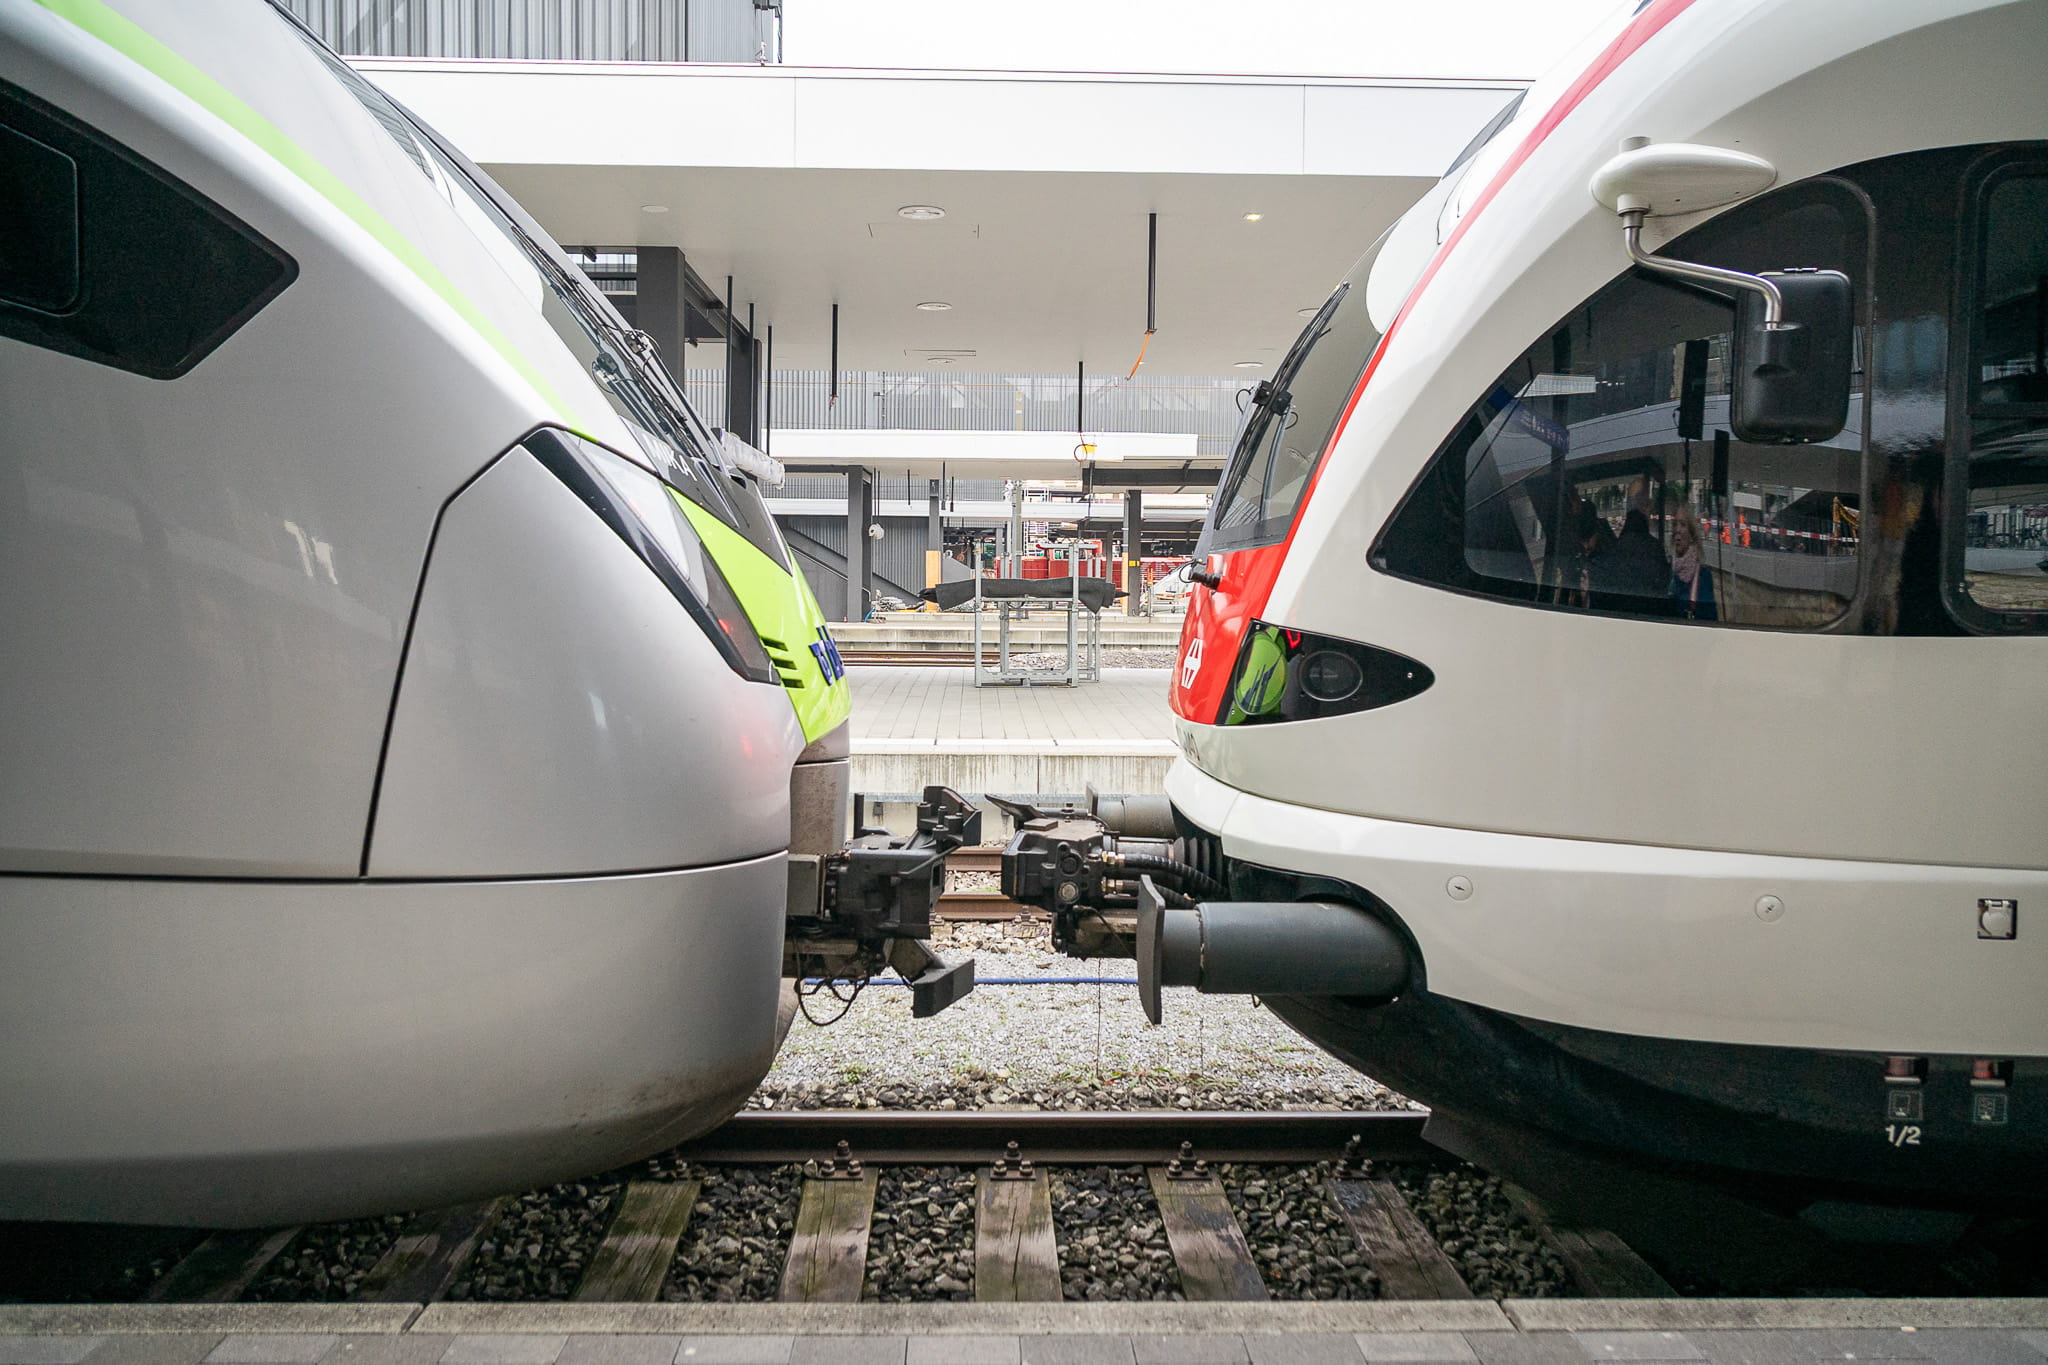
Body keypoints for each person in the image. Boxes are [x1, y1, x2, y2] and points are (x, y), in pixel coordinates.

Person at [1591, 508, 1671, 605]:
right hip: (1650, 604)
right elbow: (1663, 577)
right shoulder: (1655, 546)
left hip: (1617, 603)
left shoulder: (1618, 545)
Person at [1669, 510, 1718, 621]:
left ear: (1692, 535)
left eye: (1682, 525)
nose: (1677, 530)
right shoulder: (1666, 569)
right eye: (1674, 524)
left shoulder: (1703, 576)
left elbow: (1710, 620)